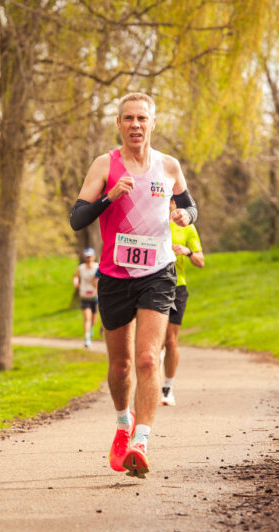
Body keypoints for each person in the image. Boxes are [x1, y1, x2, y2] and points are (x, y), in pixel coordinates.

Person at [70, 92, 198, 478]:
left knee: (146, 358)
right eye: (128, 118)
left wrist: (185, 216)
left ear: (153, 123)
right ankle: (123, 424)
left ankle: (141, 442)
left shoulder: (169, 166)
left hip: (158, 272)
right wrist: (108, 198)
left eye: (142, 118)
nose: (135, 125)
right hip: (113, 275)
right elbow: (77, 218)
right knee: (121, 365)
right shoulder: (104, 165)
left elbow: (190, 206)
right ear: (119, 124)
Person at [162, 199, 205, 406]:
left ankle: (167, 387)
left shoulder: (187, 227)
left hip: (177, 287)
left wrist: (187, 251)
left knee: (170, 341)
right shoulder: (151, 222)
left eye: (173, 198)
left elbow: (200, 261)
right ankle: (149, 383)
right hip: (152, 285)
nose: (169, 202)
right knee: (154, 342)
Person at [73, 248, 100, 348]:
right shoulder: (81, 268)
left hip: (94, 295)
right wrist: (76, 282)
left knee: (93, 320)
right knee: (87, 318)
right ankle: (87, 338)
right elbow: (76, 276)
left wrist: (97, 288)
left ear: (94, 257)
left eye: (90, 256)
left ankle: (91, 328)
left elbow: (99, 280)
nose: (88, 258)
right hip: (84, 295)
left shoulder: (97, 267)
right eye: (87, 257)